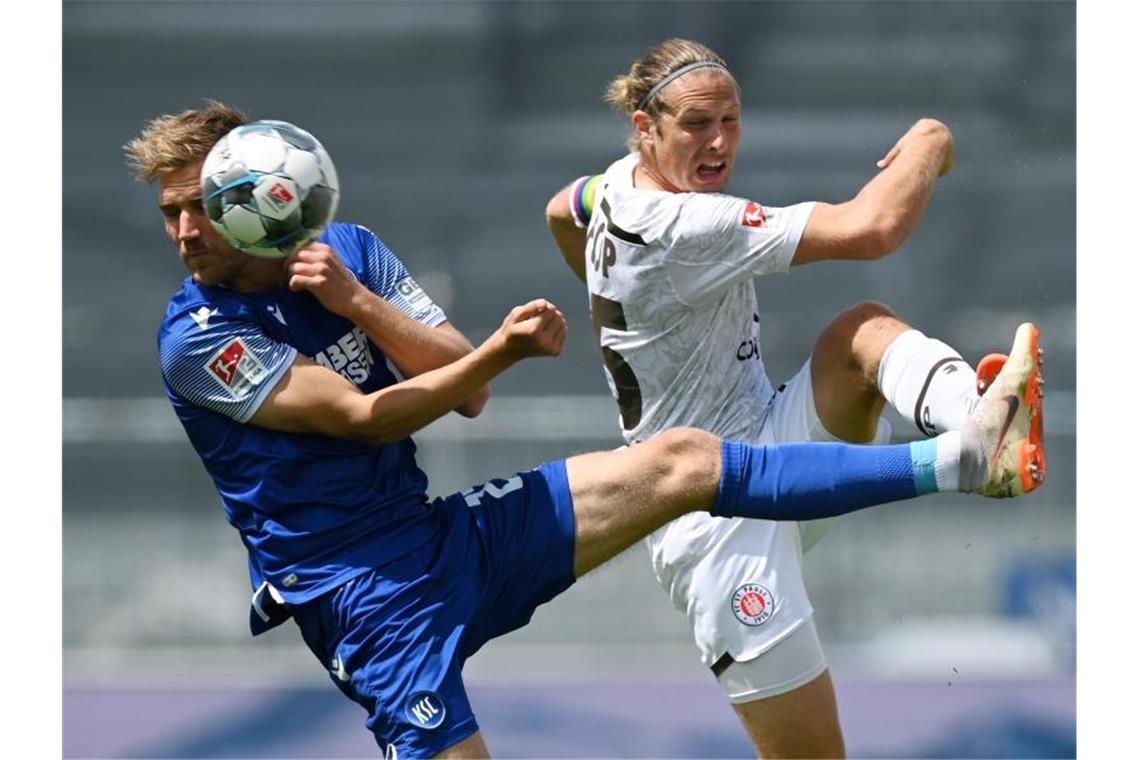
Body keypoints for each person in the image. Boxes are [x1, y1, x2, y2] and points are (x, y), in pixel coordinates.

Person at [127, 101, 1042, 759]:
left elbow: (451, 377)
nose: (182, 231)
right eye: (167, 211)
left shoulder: (349, 252)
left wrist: (358, 300)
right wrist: (503, 351)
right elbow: (372, 415)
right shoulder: (196, 340)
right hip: (363, 601)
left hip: (445, 535)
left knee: (680, 461)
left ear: (259, 191)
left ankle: (956, 458)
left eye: (196, 205)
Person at [544, 39, 1046, 759]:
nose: (718, 144)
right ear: (643, 124)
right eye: (695, 126)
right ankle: (975, 442)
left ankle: (983, 422)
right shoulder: (683, 224)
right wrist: (932, 140)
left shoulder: (616, 186)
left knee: (858, 335)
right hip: (713, 522)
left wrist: (599, 285)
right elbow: (873, 227)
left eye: (731, 121)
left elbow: (562, 210)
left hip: (771, 444)